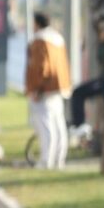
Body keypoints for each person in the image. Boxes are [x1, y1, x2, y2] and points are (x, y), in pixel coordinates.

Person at [25, 12, 72, 170]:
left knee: (45, 126)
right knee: (58, 125)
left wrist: (37, 87)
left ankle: (46, 160)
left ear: (37, 23)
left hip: (44, 89)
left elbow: (41, 66)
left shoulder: (40, 41)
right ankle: (59, 160)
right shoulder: (58, 39)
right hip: (58, 87)